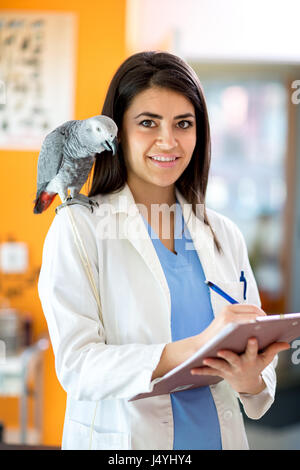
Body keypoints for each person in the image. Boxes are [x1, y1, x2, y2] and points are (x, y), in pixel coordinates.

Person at [38, 51, 289, 450]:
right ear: (117, 131)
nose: (168, 141)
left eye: (183, 124)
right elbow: (77, 366)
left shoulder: (224, 233)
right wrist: (197, 347)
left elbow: (259, 393)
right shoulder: (78, 228)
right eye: (147, 123)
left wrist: (250, 379)